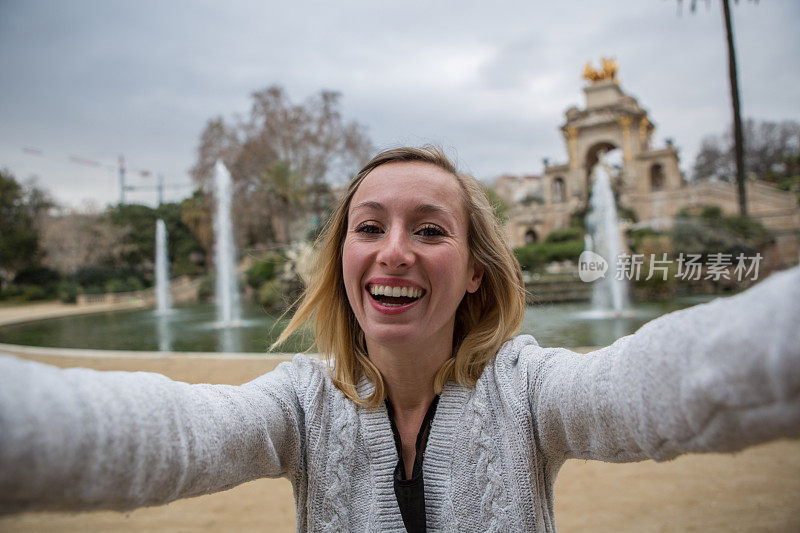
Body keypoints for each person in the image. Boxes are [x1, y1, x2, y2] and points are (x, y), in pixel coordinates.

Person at [1, 146, 798, 532]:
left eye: (429, 228)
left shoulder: (531, 387)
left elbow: (673, 382)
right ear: (343, 255)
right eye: (369, 226)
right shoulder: (297, 402)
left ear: (477, 270)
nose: (393, 250)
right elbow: (155, 436)